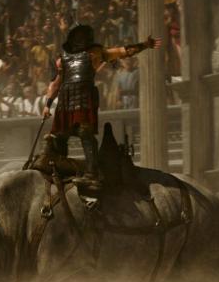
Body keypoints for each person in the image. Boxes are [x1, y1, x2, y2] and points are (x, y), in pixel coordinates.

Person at [41, 24, 160, 190]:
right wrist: (47, 105)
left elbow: (123, 51)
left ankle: (92, 174)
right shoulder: (63, 60)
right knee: (60, 135)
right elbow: (56, 84)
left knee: (85, 133)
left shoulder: (94, 54)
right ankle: (59, 169)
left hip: (83, 98)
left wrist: (144, 45)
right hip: (65, 100)